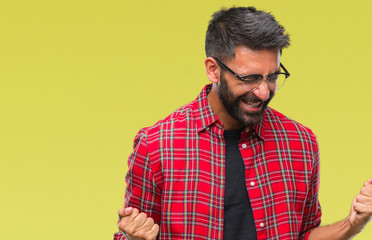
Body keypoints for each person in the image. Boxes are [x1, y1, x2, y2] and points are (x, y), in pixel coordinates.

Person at [114, 6, 372, 240]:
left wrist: (352, 224)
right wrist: (135, 238)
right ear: (213, 69)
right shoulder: (157, 145)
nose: (263, 92)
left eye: (272, 77)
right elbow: (132, 231)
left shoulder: (300, 142)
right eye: (249, 78)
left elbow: (304, 234)